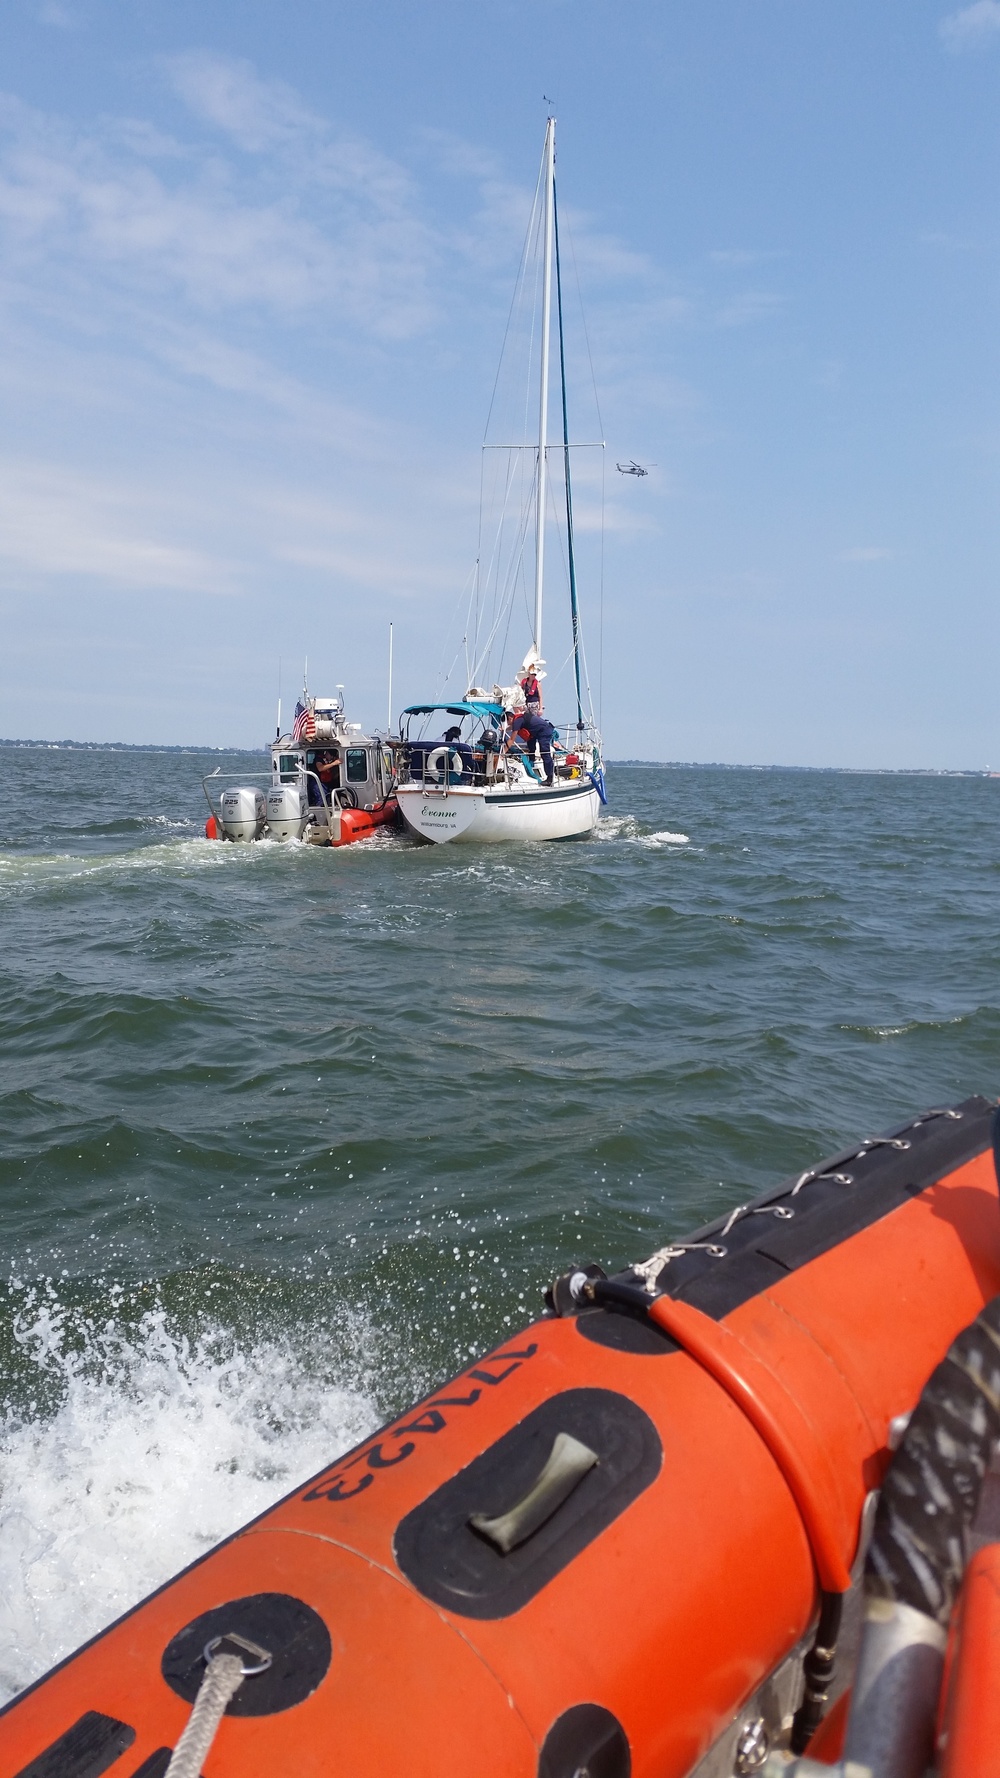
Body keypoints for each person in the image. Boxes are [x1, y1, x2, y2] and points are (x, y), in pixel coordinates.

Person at [506, 709, 556, 785]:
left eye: (507, 722)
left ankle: (549, 778)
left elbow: (512, 739)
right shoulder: (519, 719)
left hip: (544, 731)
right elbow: (513, 727)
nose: (508, 724)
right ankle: (531, 762)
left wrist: (502, 753)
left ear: (510, 718)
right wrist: (505, 729)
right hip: (536, 732)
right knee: (530, 745)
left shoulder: (517, 721)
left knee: (544, 753)